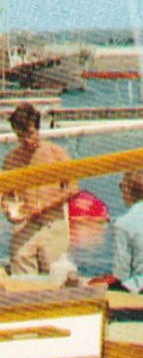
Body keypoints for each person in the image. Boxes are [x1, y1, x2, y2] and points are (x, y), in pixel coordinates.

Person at [2, 103, 75, 278]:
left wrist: (44, 206)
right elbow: (5, 192)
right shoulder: (11, 159)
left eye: (29, 134)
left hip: (52, 221)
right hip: (25, 223)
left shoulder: (56, 153)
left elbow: (72, 188)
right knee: (19, 258)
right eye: (20, 136)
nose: (26, 141)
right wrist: (6, 208)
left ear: (37, 129)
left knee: (54, 268)